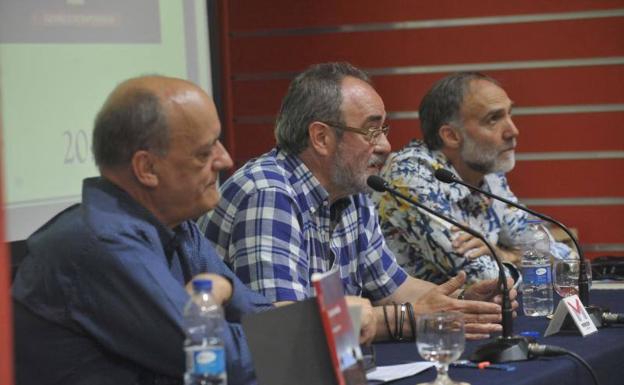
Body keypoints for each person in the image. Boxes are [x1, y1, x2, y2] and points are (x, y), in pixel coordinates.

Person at [201, 63, 516, 343]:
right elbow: (287, 327)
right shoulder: (268, 193)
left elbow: (396, 288)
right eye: (371, 130)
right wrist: (408, 320)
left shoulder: (353, 191)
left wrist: (462, 301)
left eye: (384, 129)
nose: (385, 145)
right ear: (321, 138)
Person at [12, 76, 272, 385]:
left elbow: (262, 315)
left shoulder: (177, 224)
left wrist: (225, 288)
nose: (225, 159)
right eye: (204, 153)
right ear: (146, 169)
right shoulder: (102, 244)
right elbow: (217, 360)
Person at [372, 72, 573, 285]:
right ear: (451, 136)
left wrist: (504, 255)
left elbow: (566, 259)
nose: (513, 131)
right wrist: (521, 259)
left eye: (509, 114)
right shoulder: (410, 175)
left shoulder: (488, 173)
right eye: (493, 119)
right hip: (417, 315)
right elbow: (484, 278)